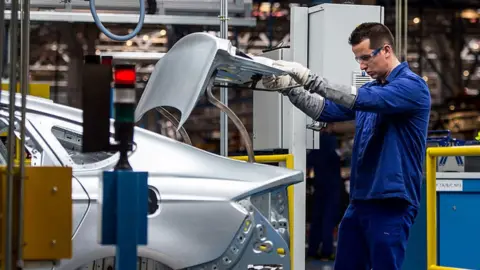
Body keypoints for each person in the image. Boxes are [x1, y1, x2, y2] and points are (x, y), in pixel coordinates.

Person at [262, 22, 431, 269]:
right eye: (357, 59)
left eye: (365, 58)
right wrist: (290, 89)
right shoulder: (372, 89)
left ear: (386, 50)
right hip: (360, 200)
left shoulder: (412, 87)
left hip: (391, 202)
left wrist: (310, 79)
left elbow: (359, 98)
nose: (361, 66)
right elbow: (322, 110)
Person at [306, 125, 342, 261]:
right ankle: (327, 252)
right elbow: (337, 159)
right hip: (332, 186)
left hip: (319, 185)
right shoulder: (331, 142)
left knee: (317, 219)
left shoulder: (315, 145)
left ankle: (312, 250)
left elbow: (309, 161)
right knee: (328, 219)